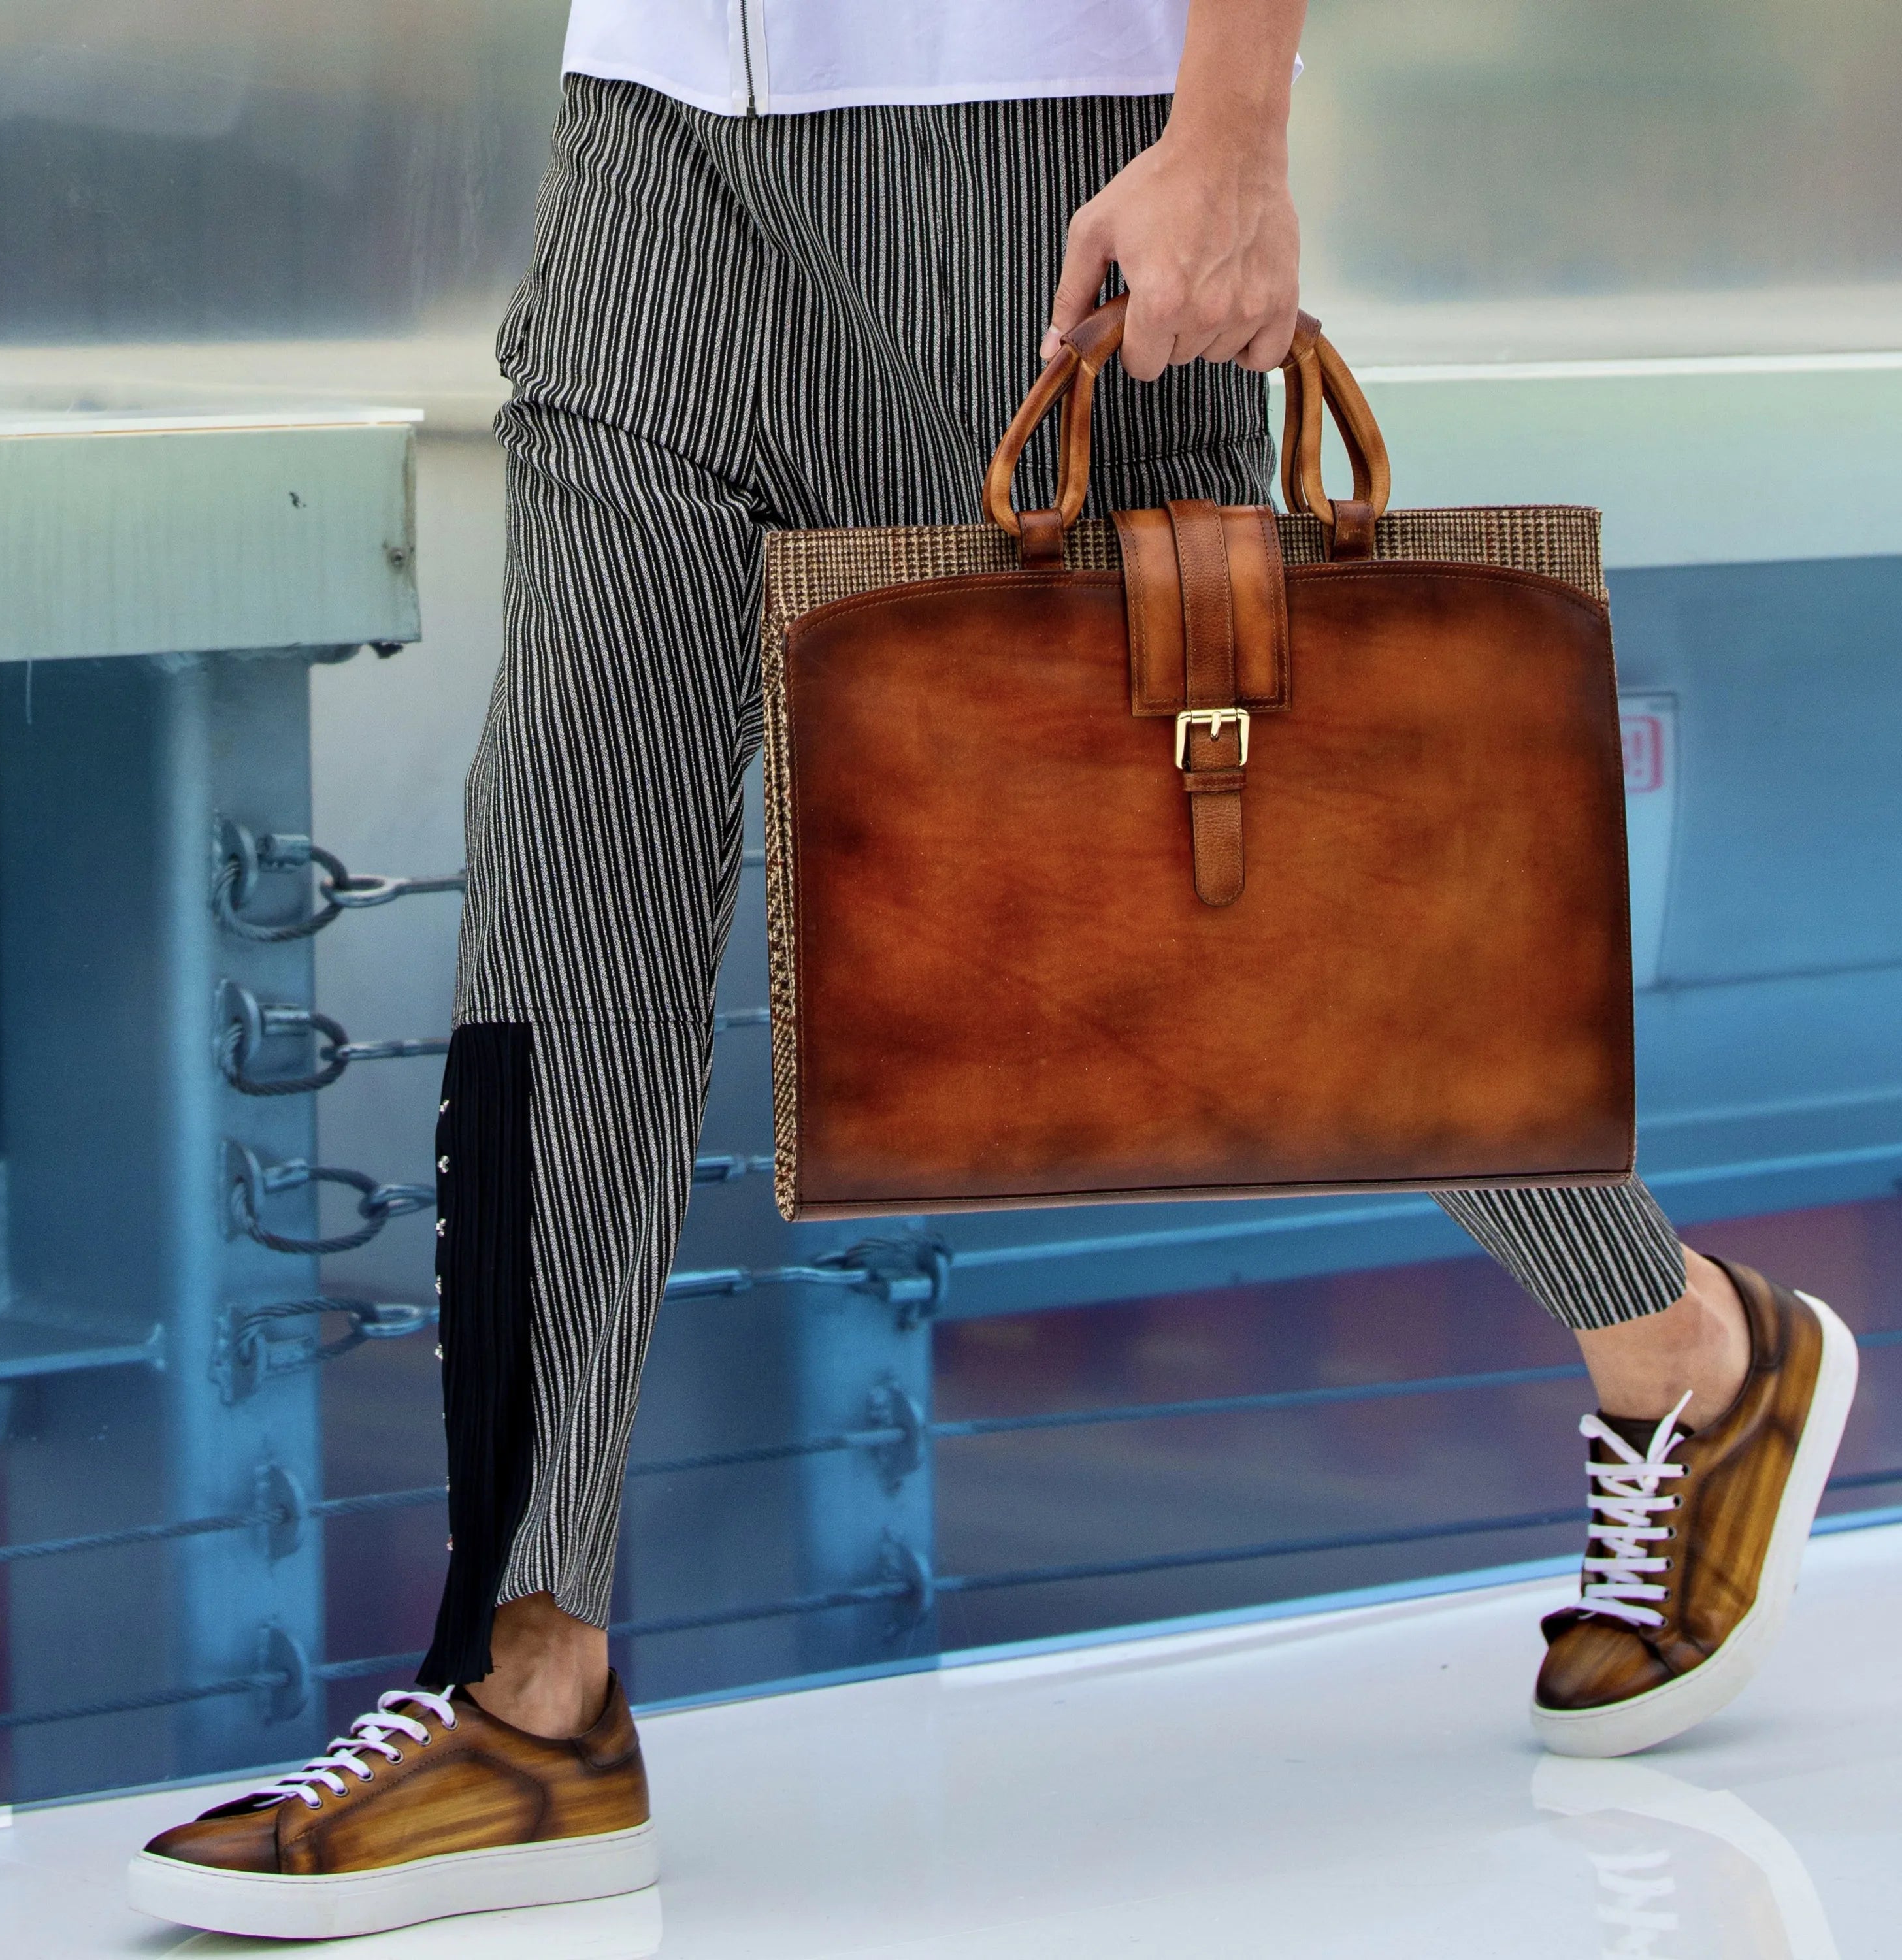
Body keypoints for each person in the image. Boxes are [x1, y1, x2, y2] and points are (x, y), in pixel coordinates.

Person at [128, 1, 1858, 1938]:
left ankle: (1682, 1344)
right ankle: (527, 1691)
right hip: (654, 141)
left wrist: (1233, 136)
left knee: (1239, 894)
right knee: (567, 890)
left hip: (1047, 141)